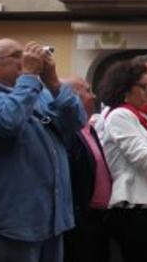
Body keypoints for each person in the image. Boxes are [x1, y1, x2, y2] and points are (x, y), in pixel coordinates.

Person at [0, 39, 86, 262]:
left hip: (53, 217)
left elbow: (77, 122)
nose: (26, 58)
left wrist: (53, 82)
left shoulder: (41, 94)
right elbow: (7, 122)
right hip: (18, 219)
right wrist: (29, 77)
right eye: (17, 55)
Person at [97, 59, 147, 262]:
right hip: (134, 208)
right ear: (125, 89)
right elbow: (145, 160)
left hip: (146, 207)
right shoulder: (120, 115)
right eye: (142, 87)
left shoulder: (134, 117)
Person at [61, 76, 111, 262]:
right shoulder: (69, 133)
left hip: (99, 218)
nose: (94, 95)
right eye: (88, 90)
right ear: (72, 98)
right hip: (80, 219)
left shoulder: (90, 129)